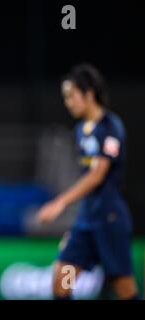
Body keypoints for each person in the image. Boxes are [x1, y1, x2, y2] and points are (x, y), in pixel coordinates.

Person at [36, 64, 139, 300]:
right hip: (86, 222)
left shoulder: (111, 127)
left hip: (109, 220)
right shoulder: (81, 129)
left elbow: (97, 174)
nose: (67, 102)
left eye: (71, 95)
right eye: (65, 97)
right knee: (62, 278)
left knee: (123, 289)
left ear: (88, 94)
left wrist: (60, 203)